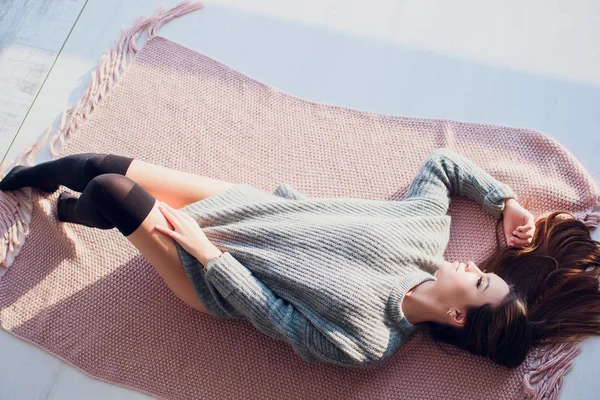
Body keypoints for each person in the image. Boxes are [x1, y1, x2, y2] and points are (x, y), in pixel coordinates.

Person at [0, 149, 598, 369]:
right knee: (94, 164)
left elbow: (270, 315)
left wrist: (205, 250)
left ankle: (76, 212)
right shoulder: (425, 231)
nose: (472, 267)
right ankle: (20, 183)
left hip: (211, 274)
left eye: (479, 283)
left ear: (462, 317)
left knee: (108, 192)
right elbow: (442, 166)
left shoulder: (368, 345)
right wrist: (507, 202)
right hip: (246, 209)